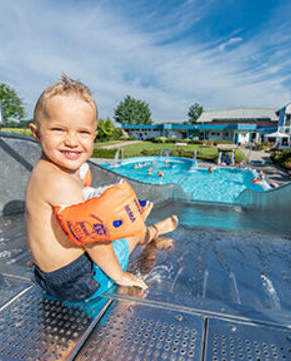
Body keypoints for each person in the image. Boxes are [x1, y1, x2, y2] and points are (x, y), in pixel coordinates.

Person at [25, 75, 178, 303]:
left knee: (110, 214)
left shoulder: (44, 172)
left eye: (83, 132)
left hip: (48, 277)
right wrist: (120, 275)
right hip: (81, 283)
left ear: (94, 136)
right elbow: (94, 241)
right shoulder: (60, 181)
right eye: (59, 130)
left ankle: (143, 225)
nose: (72, 141)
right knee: (131, 231)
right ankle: (152, 232)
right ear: (37, 133)